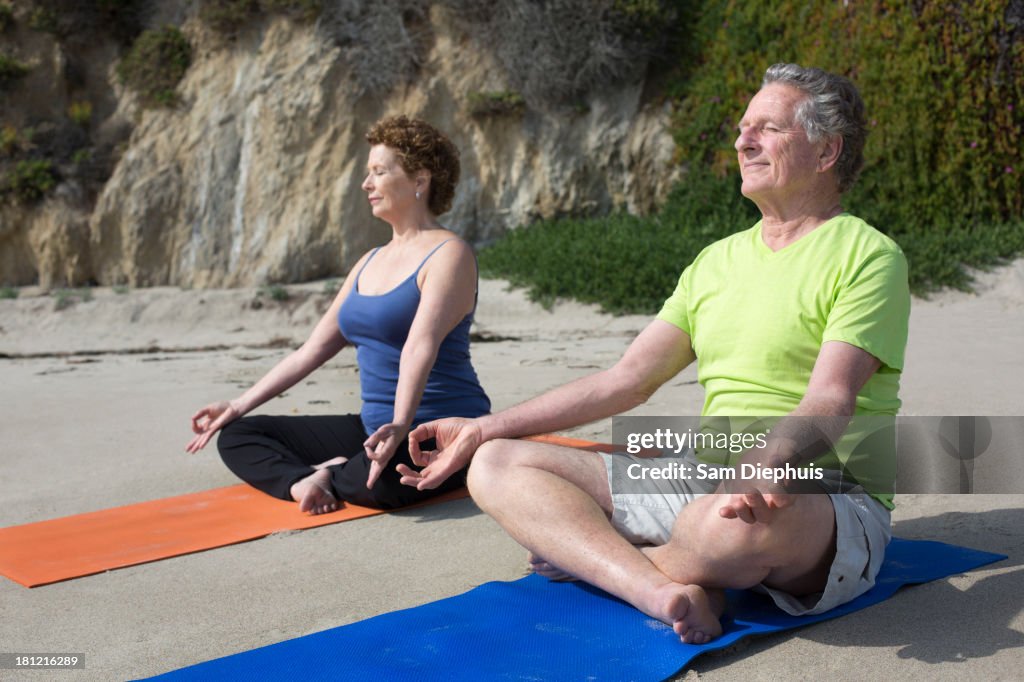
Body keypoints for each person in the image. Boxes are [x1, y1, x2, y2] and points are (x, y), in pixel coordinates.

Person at [398, 64, 910, 644]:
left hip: (818, 492)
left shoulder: (869, 256)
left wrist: (768, 461)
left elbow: (831, 396)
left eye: (768, 128)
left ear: (826, 151)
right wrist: (484, 427)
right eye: (743, 127)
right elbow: (627, 380)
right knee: (495, 464)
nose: (743, 141)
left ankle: (603, 558)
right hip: (705, 473)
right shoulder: (715, 262)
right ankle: (665, 590)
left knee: (728, 526)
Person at [186, 115, 490, 515]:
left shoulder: (449, 254)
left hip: (438, 429)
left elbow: (421, 344)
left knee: (378, 482)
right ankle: (306, 479)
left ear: (420, 180)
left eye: (379, 172)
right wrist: (238, 405)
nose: (367, 184)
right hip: (373, 427)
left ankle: (327, 473)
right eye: (368, 173)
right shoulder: (368, 262)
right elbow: (309, 351)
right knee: (239, 436)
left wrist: (401, 423)